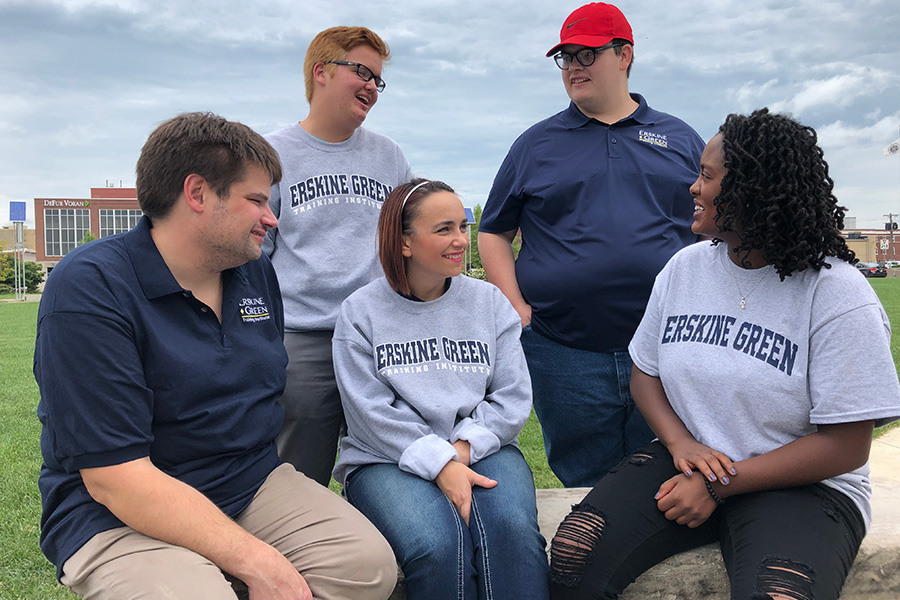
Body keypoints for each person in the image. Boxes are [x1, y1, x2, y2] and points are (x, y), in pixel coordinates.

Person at [34, 112, 397, 600]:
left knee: (366, 568)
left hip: (244, 481)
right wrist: (256, 559)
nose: (271, 218)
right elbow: (114, 478)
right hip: (117, 509)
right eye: (256, 200)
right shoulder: (91, 287)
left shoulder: (253, 274)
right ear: (198, 193)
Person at [548, 109, 900, 600]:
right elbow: (644, 376)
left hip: (804, 485)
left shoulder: (838, 294)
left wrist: (720, 485)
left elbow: (846, 446)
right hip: (691, 459)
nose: (693, 187)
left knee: (778, 593)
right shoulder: (685, 268)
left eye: (707, 176)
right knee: (573, 554)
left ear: (753, 192)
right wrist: (680, 445)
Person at [478, 2, 704, 488]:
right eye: (566, 57)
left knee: (666, 473)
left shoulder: (680, 138)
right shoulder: (535, 144)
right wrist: (514, 305)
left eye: (586, 54)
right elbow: (493, 229)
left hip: (667, 345)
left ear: (624, 55)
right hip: (564, 348)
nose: (574, 67)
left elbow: (714, 227)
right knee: (584, 481)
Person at [332, 179, 551, 599]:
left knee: (512, 534)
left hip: (484, 447)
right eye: (443, 229)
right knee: (436, 544)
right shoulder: (360, 312)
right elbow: (369, 413)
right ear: (404, 243)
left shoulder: (488, 302)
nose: (459, 240)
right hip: (385, 458)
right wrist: (439, 463)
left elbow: (511, 396)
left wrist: (460, 453)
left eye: (463, 226)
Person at [263, 26, 415, 486]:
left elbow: (411, 237)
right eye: (362, 72)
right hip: (303, 339)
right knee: (298, 476)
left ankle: (392, 552)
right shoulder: (271, 154)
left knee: (394, 467)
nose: (372, 86)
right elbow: (252, 257)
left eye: (378, 80)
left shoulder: (390, 157)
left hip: (379, 338)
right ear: (322, 72)